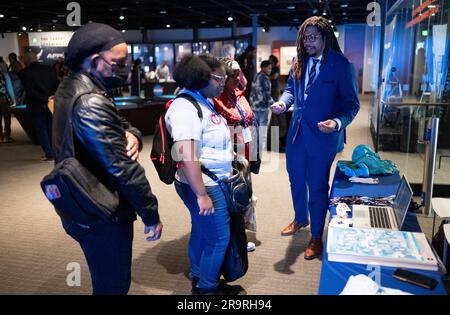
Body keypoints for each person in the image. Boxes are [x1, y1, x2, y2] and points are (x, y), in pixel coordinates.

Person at [53, 23, 163, 295]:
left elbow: (119, 124)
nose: (126, 67)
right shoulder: (90, 100)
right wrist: (151, 214)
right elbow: (123, 170)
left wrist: (134, 134)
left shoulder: (72, 87)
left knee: (105, 278)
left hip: (82, 203)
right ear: (94, 61)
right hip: (102, 212)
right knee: (112, 285)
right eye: (119, 62)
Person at [270, 16, 360, 260]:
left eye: (312, 38)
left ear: (325, 37)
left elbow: (351, 105)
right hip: (297, 132)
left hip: (323, 135)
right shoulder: (299, 61)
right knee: (295, 178)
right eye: (304, 37)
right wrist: (282, 103)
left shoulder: (341, 65)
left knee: (318, 185)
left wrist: (337, 122)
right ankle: (301, 218)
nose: (307, 42)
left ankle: (317, 236)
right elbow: (291, 90)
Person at [166, 53, 243, 295]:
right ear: (202, 77)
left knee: (201, 231)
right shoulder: (184, 107)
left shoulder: (202, 101)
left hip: (208, 181)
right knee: (218, 239)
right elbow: (186, 154)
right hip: (203, 184)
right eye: (220, 78)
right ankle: (206, 291)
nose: (224, 82)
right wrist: (201, 195)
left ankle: (200, 276)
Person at [213, 58, 258, 251]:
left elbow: (247, 121)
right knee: (231, 198)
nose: (237, 78)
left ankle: (239, 236)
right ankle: (232, 241)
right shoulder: (215, 98)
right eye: (232, 74)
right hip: (228, 154)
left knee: (245, 195)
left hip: (245, 151)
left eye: (238, 73)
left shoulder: (238, 93)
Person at [19, 50, 59, 161]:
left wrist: (45, 98)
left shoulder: (24, 73)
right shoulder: (49, 69)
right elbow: (57, 84)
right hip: (51, 103)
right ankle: (55, 153)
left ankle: (49, 154)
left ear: (26, 60)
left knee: (41, 130)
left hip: (36, 104)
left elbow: (29, 91)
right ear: (36, 58)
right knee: (51, 128)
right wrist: (51, 97)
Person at [0, 67, 16, 143]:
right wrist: (12, 98)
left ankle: (0, 137)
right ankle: (7, 137)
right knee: (6, 117)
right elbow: (9, 87)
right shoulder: (4, 74)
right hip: (2, 98)